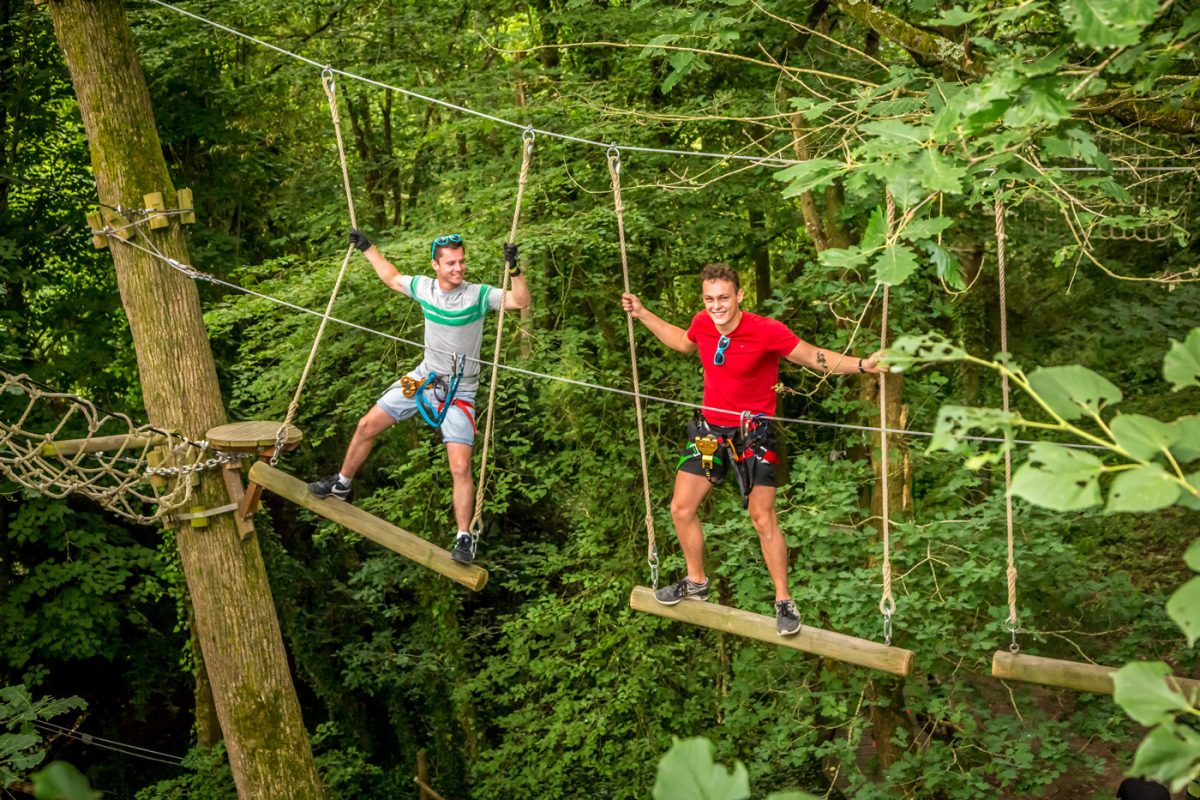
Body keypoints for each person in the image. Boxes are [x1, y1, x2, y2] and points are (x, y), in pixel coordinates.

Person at [621, 263, 885, 635]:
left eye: (724, 298)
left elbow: (812, 356)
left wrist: (862, 365)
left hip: (753, 435)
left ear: (739, 295)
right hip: (710, 431)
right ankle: (696, 582)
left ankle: (783, 600)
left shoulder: (766, 331)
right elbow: (682, 341)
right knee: (680, 508)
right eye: (710, 299)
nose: (717, 306)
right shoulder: (702, 323)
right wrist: (643, 313)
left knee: (762, 518)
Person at [308, 230, 531, 565]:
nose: (459, 268)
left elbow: (521, 301)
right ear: (435, 266)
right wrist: (366, 247)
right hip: (423, 378)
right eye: (451, 263)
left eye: (461, 261)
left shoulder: (478, 295)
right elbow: (391, 277)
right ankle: (342, 483)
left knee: (460, 466)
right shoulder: (425, 288)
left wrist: (514, 269)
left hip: (459, 391)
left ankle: (464, 536)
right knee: (366, 425)